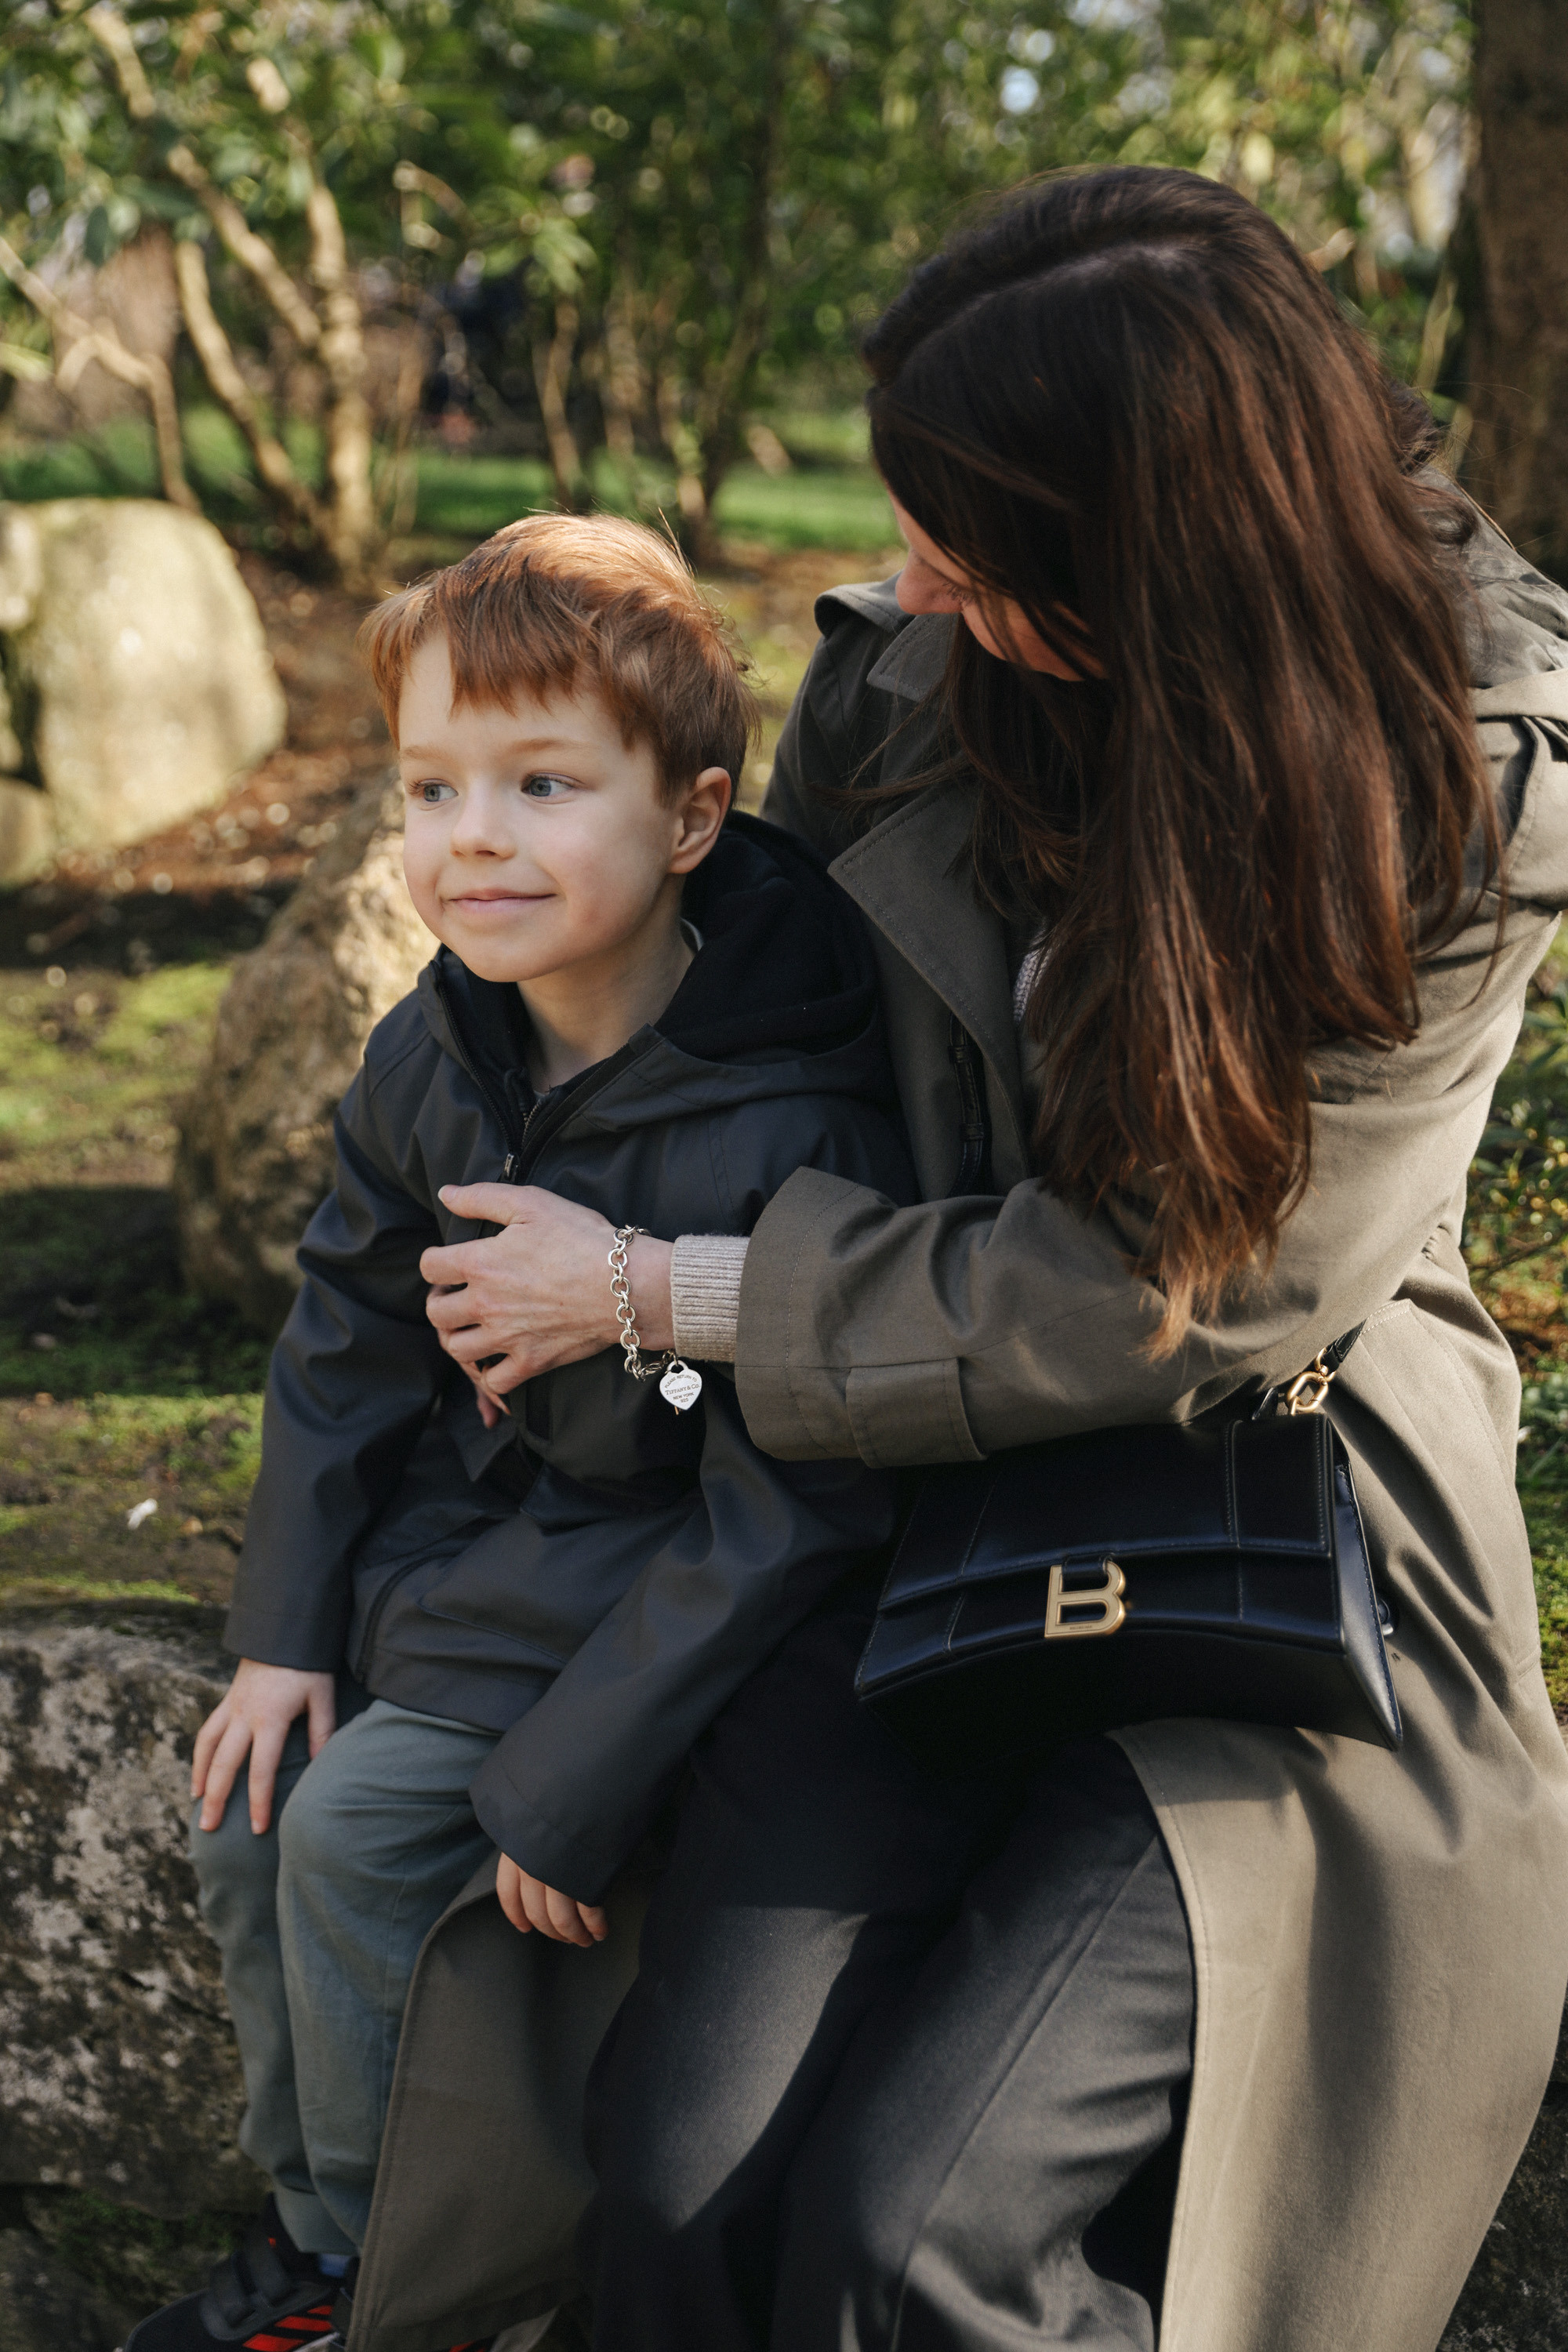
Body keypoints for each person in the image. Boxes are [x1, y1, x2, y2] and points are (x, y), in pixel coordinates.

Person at [420, 169, 1568, 2352]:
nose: (909, 581)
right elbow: (747, 1004)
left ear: (1163, 545)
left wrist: (667, 1290)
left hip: (1282, 1560)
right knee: (672, 2202)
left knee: (917, 2242)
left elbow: (1198, 1290)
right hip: (926, 1526)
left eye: (975, 543)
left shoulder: (1464, 769)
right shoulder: (945, 675)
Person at [126, 514, 914, 2352]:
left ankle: (410, 2275)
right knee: (251, 1811)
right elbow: (340, 1335)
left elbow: (790, 1499)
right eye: (429, 786)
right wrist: (281, 1633)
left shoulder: (795, 1115)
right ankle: (320, 2226)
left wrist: (575, 1774)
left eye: (544, 783)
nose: (471, 837)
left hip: (651, 1590)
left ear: (693, 816)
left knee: (353, 1841)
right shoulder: (440, 1048)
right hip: (463, 1559)